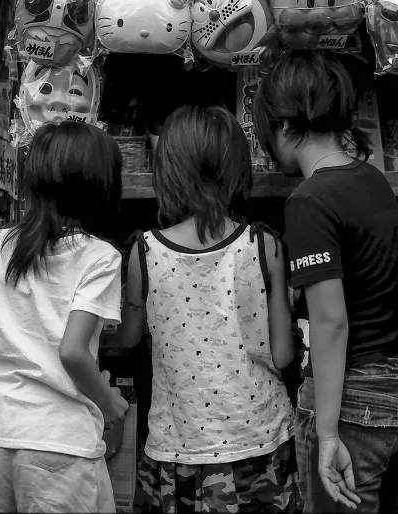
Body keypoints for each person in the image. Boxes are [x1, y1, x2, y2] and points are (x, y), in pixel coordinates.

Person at [119, 105, 301, 513]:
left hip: (179, 445)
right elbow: (283, 354)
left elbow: (130, 337)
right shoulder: (263, 244)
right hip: (258, 438)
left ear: (168, 169)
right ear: (237, 167)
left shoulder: (144, 252)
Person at [253, 49, 398, 513]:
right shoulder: (373, 180)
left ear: (280, 123)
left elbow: (331, 321)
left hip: (351, 400)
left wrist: (329, 431)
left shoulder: (309, 201)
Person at [0, 121, 129, 513]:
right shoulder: (99, 257)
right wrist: (109, 402)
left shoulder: (1, 244)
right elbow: (72, 352)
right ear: (100, 186)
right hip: (60, 444)